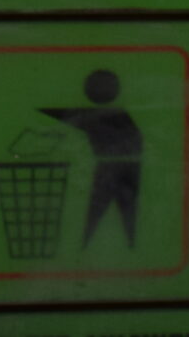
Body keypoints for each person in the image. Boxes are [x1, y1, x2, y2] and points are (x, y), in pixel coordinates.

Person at [40, 68, 142, 248]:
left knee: (111, 212)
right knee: (110, 213)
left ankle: (92, 246)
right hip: (120, 165)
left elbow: (74, 117)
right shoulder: (112, 114)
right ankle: (89, 246)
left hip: (118, 166)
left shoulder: (110, 115)